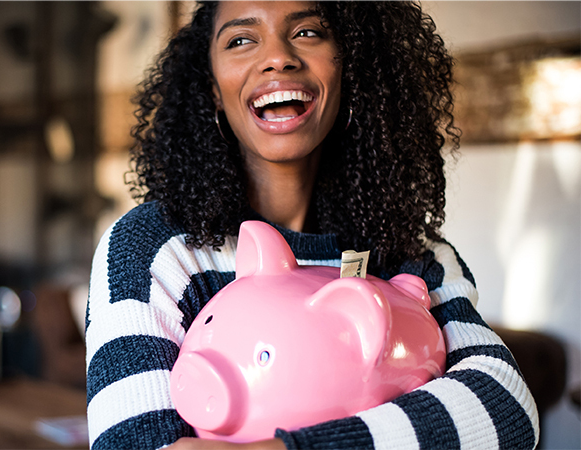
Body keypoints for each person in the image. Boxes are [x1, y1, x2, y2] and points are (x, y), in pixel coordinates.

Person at [85, 1, 539, 449]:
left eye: (307, 32)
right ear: (211, 91)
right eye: (241, 40)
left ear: (349, 68)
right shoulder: (155, 249)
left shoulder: (413, 254)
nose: (279, 56)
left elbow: (507, 408)